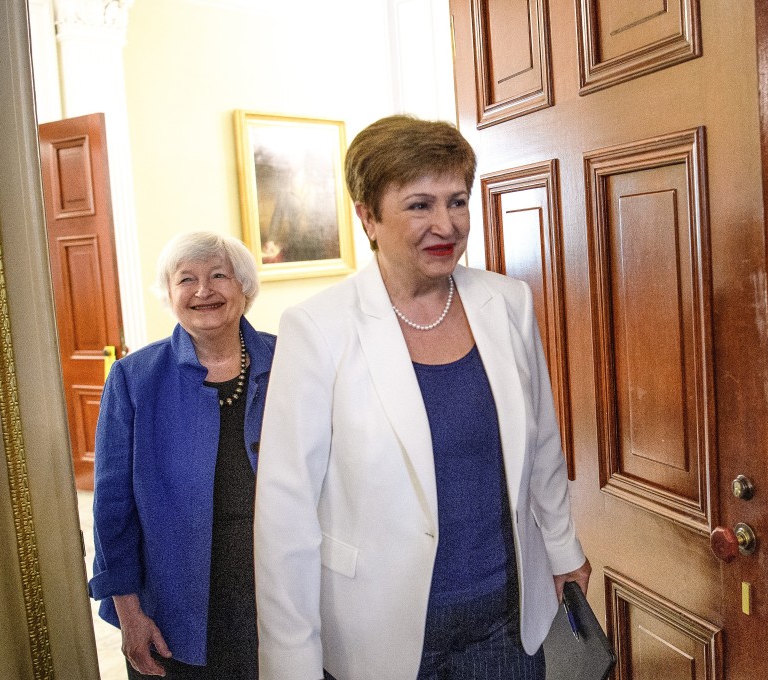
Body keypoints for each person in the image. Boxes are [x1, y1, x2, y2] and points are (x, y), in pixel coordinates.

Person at [254, 115, 590, 680]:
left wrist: (562, 548)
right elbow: (284, 516)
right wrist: (292, 664)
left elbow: (542, 442)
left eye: (457, 201)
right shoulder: (317, 329)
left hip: (506, 624)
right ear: (368, 216)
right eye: (419, 205)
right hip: (377, 638)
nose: (447, 224)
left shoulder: (507, 302)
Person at [89, 231, 275, 678]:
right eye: (185, 279)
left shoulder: (291, 359)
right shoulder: (134, 379)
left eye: (218, 276)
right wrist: (129, 615)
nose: (203, 291)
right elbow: (112, 510)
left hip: (280, 594)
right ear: (169, 294)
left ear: (244, 287)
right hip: (175, 610)